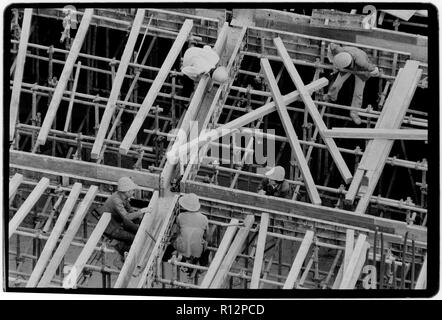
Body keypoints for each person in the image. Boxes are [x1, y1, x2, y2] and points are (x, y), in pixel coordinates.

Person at [324, 43, 380, 125]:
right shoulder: (340, 51)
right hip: (347, 65)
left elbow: (373, 69)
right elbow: (331, 46)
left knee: (358, 93)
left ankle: (354, 113)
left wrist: (375, 72)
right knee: (336, 84)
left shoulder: (362, 62)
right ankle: (331, 96)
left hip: (359, 70)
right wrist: (334, 61)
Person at [97, 177, 144, 267]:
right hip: (111, 228)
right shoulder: (116, 200)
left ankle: (124, 247)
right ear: (126, 191)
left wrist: (138, 220)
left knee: (139, 230)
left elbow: (130, 210)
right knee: (134, 239)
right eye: (132, 190)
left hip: (119, 222)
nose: (133, 192)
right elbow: (127, 217)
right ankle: (120, 253)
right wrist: (142, 211)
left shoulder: (123, 197)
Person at [162, 193, 210, 272]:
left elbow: (176, 233)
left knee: (171, 245)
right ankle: (203, 265)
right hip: (197, 250)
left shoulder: (180, 216)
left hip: (182, 248)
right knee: (206, 247)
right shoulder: (204, 218)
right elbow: (207, 236)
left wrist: (171, 239)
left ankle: (164, 260)